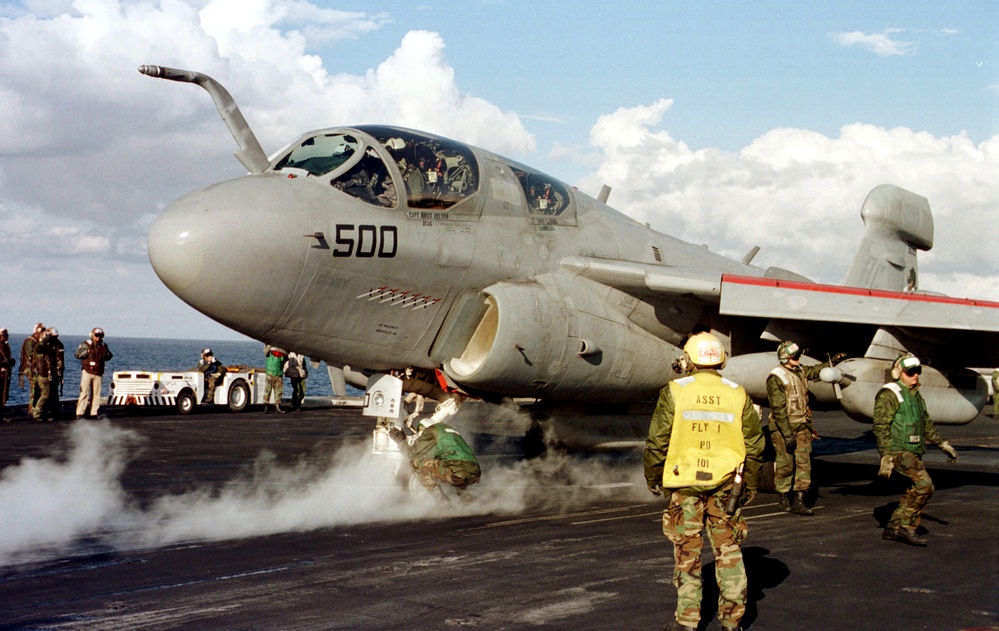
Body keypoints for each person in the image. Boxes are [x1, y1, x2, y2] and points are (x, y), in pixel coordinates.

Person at [644, 332, 764, 631]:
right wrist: (749, 483)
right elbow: (754, 444)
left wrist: (653, 475)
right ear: (721, 360)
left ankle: (687, 621)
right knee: (729, 552)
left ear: (687, 360)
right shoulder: (738, 392)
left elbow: (658, 440)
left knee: (688, 555)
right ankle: (733, 621)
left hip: (684, 487)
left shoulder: (675, 390)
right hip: (726, 488)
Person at [874, 353, 958, 546]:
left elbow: (926, 424)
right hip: (899, 450)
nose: (915, 376)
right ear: (898, 373)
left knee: (916, 489)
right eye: (910, 372)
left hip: (913, 451)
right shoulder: (890, 394)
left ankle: (893, 529)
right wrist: (886, 456)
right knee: (924, 485)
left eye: (917, 371)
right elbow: (881, 427)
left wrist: (943, 444)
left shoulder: (915, 396)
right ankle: (906, 528)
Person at [766, 341, 846, 515]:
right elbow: (778, 409)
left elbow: (814, 371)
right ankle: (783, 497)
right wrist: (787, 434)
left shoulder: (800, 370)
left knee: (804, 463)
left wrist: (831, 362)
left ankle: (799, 500)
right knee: (785, 464)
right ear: (785, 357)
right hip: (782, 429)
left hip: (802, 426)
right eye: (795, 356)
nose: (799, 358)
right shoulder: (776, 378)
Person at [402, 412, 480, 495]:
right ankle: (467, 499)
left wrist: (401, 441)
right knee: (450, 467)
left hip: (457, 472)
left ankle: (442, 503)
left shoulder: (430, 431)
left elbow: (411, 454)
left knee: (415, 463)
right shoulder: (448, 430)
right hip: (475, 472)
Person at [75, 327, 113, 419]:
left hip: (98, 372)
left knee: (96, 393)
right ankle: (80, 412)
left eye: (100, 336)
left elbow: (109, 356)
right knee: (84, 392)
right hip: (87, 371)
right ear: (92, 335)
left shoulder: (103, 346)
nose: (98, 337)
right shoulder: (86, 344)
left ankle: (93, 412)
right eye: (96, 335)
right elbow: (77, 354)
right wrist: (86, 352)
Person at [30, 328, 63, 422]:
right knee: (45, 395)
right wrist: (46, 340)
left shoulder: (55, 346)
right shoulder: (43, 347)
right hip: (44, 374)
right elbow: (38, 349)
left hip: (51, 374)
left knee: (52, 395)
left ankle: (47, 412)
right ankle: (37, 413)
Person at [19, 323, 45, 417]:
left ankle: (35, 407)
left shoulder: (35, 341)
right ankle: (32, 408)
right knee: (34, 387)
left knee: (38, 387)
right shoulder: (30, 341)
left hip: (35, 368)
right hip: (30, 368)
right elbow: (33, 355)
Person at [263, 345, 287, 413]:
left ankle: (274, 406)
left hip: (275, 374)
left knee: (276, 392)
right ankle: (267, 406)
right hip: (274, 374)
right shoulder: (270, 355)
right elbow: (265, 352)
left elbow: (286, 357)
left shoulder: (278, 356)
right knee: (269, 391)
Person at [0, 328, 14, 422]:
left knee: (4, 394)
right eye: (4, 335)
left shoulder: (6, 346)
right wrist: (5, 362)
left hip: (6, 373)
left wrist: (11, 361)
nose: (6, 336)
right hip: (1, 373)